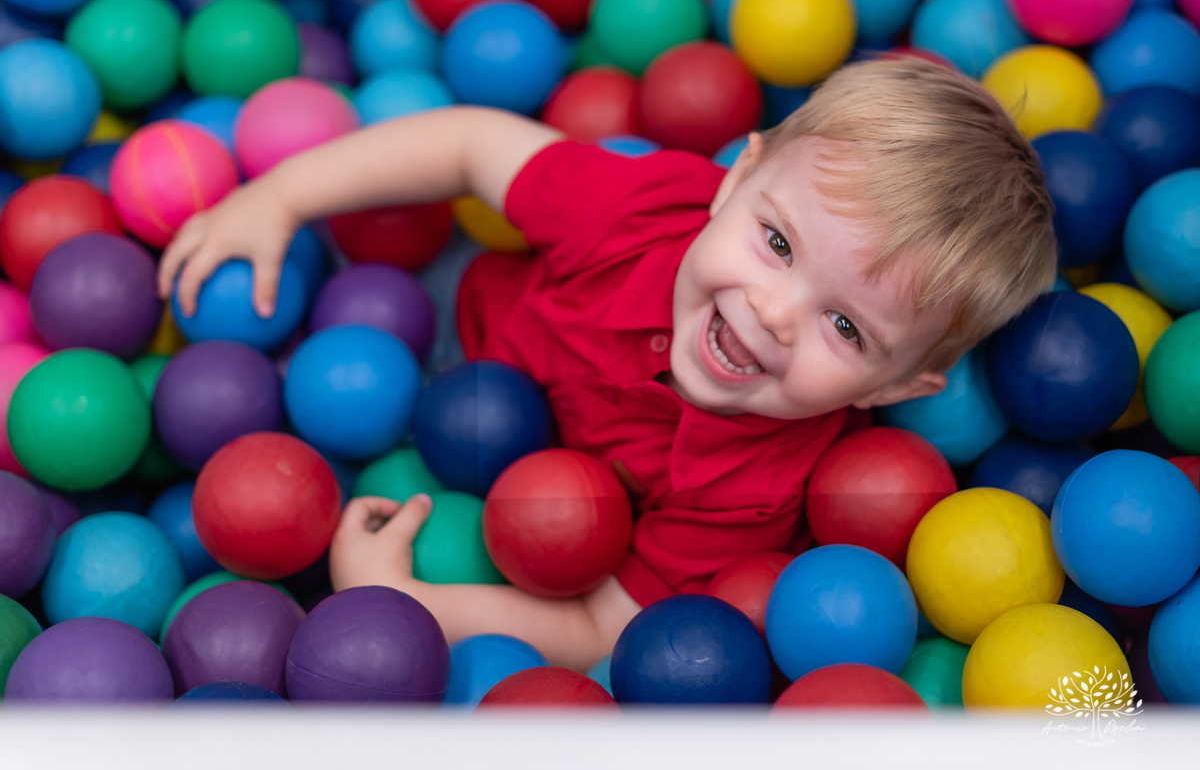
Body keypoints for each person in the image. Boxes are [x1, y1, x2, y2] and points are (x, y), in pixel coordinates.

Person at [158, 57, 1057, 672]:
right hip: (437, 317)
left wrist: (409, 601)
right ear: (734, 181)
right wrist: (279, 196)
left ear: (898, 389)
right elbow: (472, 143)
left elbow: (600, 627)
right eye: (777, 241)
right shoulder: (634, 213)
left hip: (500, 513)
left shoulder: (758, 485)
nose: (773, 314)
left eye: (847, 328)